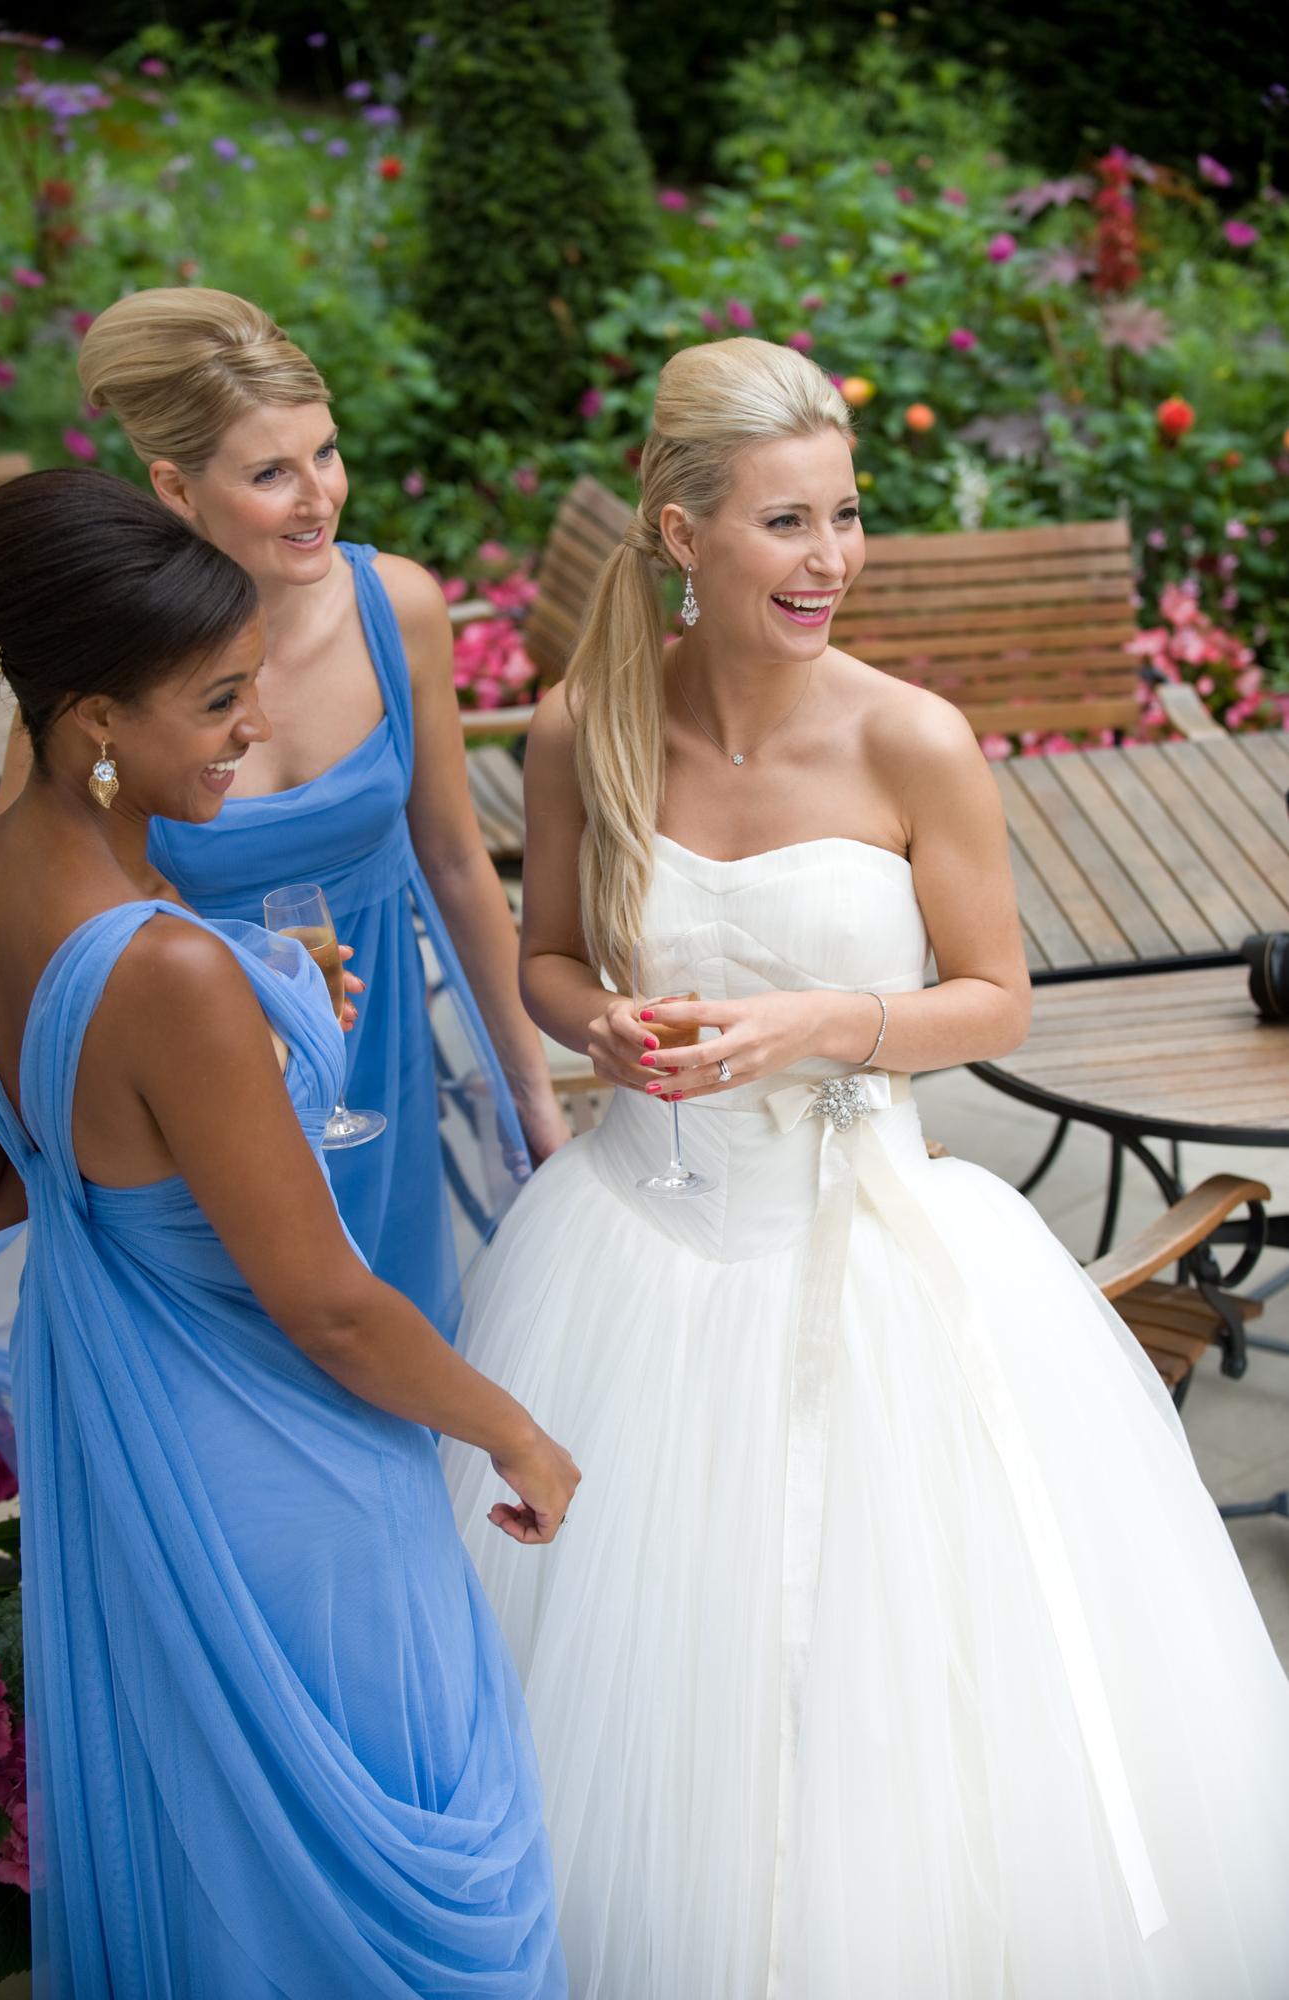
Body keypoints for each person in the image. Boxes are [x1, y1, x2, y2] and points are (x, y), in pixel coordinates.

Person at [443, 338, 1289, 1999]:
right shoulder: (579, 729)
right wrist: (598, 1024)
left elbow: (994, 998)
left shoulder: (913, 740)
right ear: (679, 534)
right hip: (632, 1253)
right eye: (786, 522)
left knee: (898, 1671)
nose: (830, 557)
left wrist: (826, 1023)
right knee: (639, 1671)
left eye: (844, 515)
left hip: (870, 1248)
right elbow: (542, 960)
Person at [0, 469, 576, 1996]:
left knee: (216, 1849)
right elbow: (330, 1308)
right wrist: (513, 1432)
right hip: (276, 1452)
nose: (255, 727)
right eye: (219, 700)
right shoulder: (170, 971)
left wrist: (229, 1038)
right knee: (389, 1837)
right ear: (95, 720)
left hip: (112, 1420)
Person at [0, 286, 568, 1340]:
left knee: (395, 1345)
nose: (318, 497)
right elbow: (32, 904)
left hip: (374, 1065)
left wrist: (529, 1090)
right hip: (194, 1087)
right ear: (175, 487)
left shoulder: (397, 608)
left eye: (326, 453)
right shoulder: (103, 664)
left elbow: (452, 860)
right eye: (270, 473)